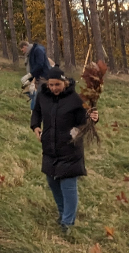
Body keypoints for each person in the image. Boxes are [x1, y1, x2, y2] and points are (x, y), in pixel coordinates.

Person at [30, 67, 98, 234]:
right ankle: (62, 215)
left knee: (68, 185)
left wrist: (93, 118)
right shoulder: (43, 95)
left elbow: (86, 119)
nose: (53, 88)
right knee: (53, 183)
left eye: (57, 85)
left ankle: (67, 223)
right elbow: (36, 112)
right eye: (51, 85)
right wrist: (36, 127)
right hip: (49, 147)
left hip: (69, 148)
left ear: (65, 82)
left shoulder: (76, 99)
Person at [20, 41, 53, 110]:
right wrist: (30, 80)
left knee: (39, 98)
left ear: (25, 46)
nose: (23, 52)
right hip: (39, 77)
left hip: (44, 77)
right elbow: (36, 69)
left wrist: (30, 74)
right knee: (39, 97)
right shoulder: (32, 52)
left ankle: (37, 114)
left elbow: (39, 65)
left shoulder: (37, 50)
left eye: (22, 49)